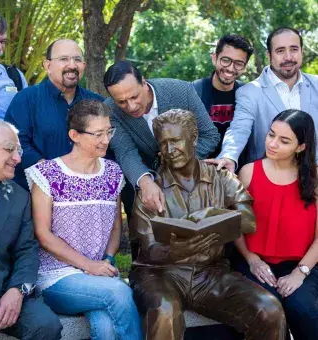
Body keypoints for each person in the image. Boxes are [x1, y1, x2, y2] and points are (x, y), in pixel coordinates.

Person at [129, 108, 286, 340]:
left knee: (269, 309)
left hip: (211, 273)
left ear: (193, 138)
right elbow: (149, 248)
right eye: (163, 144)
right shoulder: (151, 189)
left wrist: (212, 214)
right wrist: (174, 251)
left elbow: (248, 221)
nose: (170, 150)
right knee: (164, 311)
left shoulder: (222, 178)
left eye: (175, 141)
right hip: (160, 274)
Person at [25, 100, 142, 340]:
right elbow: (43, 235)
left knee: (107, 326)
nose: (106, 139)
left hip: (99, 275)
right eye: (98, 134)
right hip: (56, 277)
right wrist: (89, 266)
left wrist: (107, 259)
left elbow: (115, 224)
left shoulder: (113, 172)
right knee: (119, 294)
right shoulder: (48, 174)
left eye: (109, 131)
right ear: (74, 135)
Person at [234, 109, 318, 340]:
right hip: (254, 263)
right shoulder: (248, 172)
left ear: (301, 147)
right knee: (268, 309)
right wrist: (251, 259)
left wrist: (299, 273)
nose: (272, 143)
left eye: (284, 140)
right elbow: (235, 225)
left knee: (304, 310)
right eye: (271, 134)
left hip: (302, 265)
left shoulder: (315, 179)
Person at [0, 120, 62, 340]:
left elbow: (26, 250)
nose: (17, 158)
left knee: (45, 326)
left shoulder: (19, 196)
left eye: (18, 150)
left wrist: (17, 290)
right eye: (9, 149)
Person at [104, 60, 220, 215]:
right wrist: (144, 181)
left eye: (134, 97)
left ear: (144, 82)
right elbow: (125, 152)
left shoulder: (181, 90)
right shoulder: (110, 110)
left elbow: (209, 135)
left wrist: (179, 159)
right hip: (143, 184)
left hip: (192, 183)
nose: (131, 106)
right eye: (121, 102)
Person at [209, 27, 318, 172]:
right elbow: (238, 129)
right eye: (280, 51)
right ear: (269, 55)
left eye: (294, 49)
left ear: (301, 51)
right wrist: (228, 157)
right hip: (268, 182)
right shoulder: (250, 92)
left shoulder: (316, 84)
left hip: (313, 180)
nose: (288, 57)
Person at [5, 39, 103, 189]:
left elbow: (107, 147)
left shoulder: (97, 103)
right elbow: (17, 144)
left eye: (77, 59)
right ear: (47, 65)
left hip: (88, 193)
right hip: (36, 194)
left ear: (84, 65)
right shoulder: (26, 100)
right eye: (64, 59)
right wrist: (55, 177)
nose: (72, 65)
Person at [193, 34, 253, 158]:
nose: (230, 68)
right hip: (198, 166)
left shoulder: (249, 94)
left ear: (245, 67)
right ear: (214, 58)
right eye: (225, 60)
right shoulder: (194, 91)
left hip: (236, 168)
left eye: (238, 63)